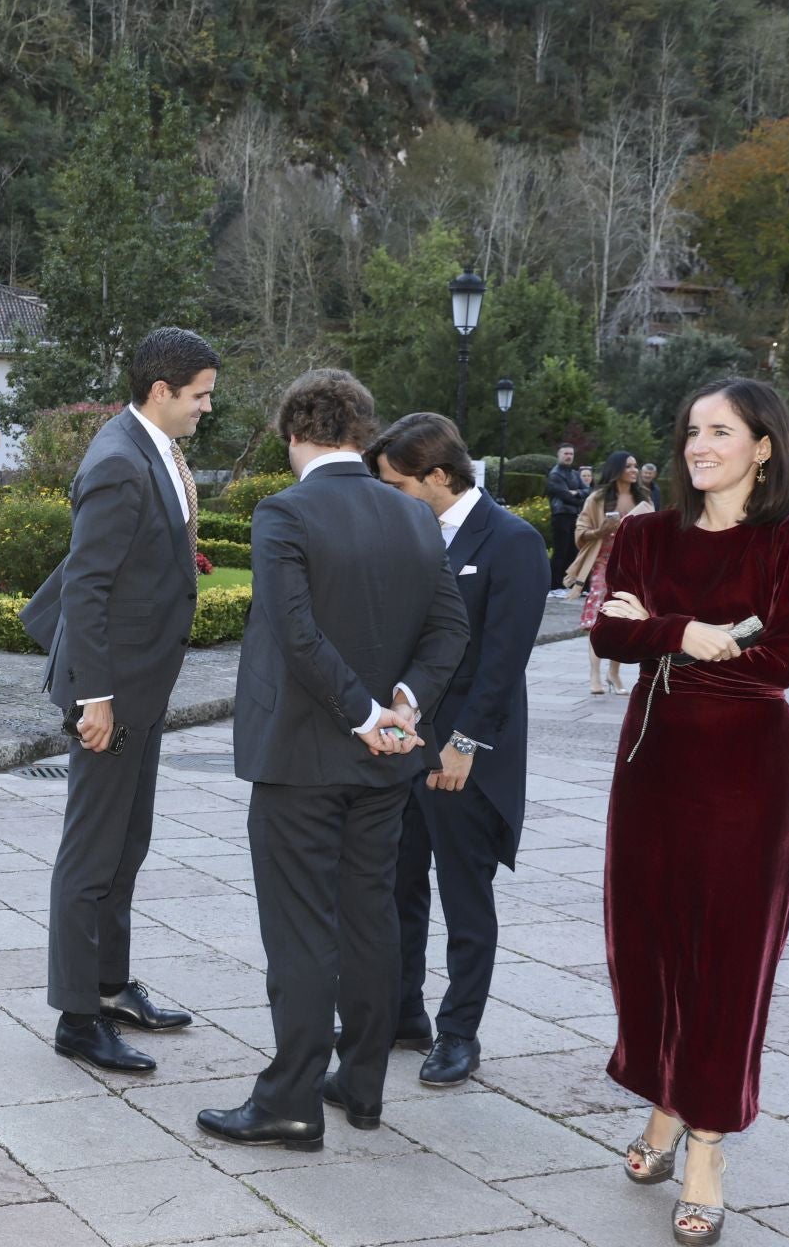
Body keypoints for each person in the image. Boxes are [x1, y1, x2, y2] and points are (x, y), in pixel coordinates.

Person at [198, 369, 467, 1151]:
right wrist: (404, 707)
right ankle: (362, 1084)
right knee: (370, 921)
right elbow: (450, 631)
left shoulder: (285, 511)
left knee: (301, 931)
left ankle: (289, 1101)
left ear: (294, 433)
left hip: (304, 760)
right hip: (387, 762)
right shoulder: (415, 515)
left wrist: (365, 714)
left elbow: (295, 634)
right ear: (363, 431)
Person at [591, 377, 789, 1246]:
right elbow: (608, 633)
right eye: (692, 430)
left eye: (720, 431)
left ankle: (707, 1149)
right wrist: (690, 634)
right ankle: (665, 1106)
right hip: (650, 769)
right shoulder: (646, 532)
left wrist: (665, 627)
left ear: (763, 445)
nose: (699, 446)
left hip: (745, 780)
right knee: (647, 949)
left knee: (726, 961)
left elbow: (778, 663)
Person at [19, 327, 218, 1074]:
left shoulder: (152, 450)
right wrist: (93, 698)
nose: (207, 408)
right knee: (91, 854)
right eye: (200, 395)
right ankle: (77, 1016)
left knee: (126, 846)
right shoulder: (116, 462)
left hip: (143, 684)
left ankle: (110, 983)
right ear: (161, 391)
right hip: (111, 693)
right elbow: (88, 586)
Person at [367, 413, 548, 1087]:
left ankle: (459, 1034)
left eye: (397, 482)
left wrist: (464, 746)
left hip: (466, 754)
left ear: (438, 476)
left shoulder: (513, 541)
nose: (388, 495)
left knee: (465, 898)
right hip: (406, 746)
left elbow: (503, 663)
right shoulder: (411, 532)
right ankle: (401, 1012)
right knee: (397, 885)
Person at [566, 452, 650, 695]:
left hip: (632, 567)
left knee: (624, 619)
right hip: (603, 564)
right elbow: (580, 530)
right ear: (617, 470)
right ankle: (595, 675)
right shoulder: (597, 499)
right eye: (630, 466)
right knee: (598, 619)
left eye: (636, 465)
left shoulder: (643, 497)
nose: (635, 470)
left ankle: (614, 674)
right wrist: (601, 531)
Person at [546, 443, 589, 597]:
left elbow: (588, 490)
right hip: (560, 515)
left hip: (574, 517)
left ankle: (567, 584)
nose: (569, 456)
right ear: (559, 455)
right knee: (560, 552)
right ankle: (554, 585)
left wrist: (576, 492)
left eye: (571, 453)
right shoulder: (555, 475)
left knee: (573, 551)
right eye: (566, 453)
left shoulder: (574, 474)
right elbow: (565, 496)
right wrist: (580, 497)